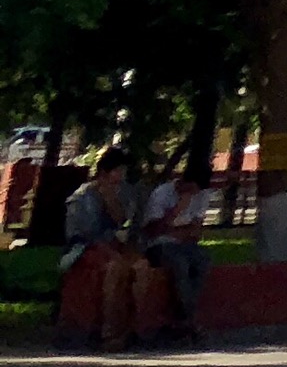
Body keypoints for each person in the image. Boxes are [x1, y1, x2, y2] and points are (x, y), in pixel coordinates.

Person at [59, 145, 159, 352]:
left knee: (142, 268)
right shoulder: (83, 196)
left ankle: (136, 327)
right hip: (86, 247)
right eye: (118, 171)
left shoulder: (124, 193)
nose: (121, 175)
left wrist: (112, 201)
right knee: (115, 268)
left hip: (117, 244)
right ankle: (110, 330)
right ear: (105, 172)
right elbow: (86, 234)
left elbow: (126, 223)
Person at [137, 158, 215, 342]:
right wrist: (177, 209)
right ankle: (189, 321)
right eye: (191, 189)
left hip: (185, 244)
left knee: (202, 261)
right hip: (159, 245)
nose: (194, 194)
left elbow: (195, 232)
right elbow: (152, 231)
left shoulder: (202, 195)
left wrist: (178, 231)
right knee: (179, 264)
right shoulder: (162, 194)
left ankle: (184, 319)